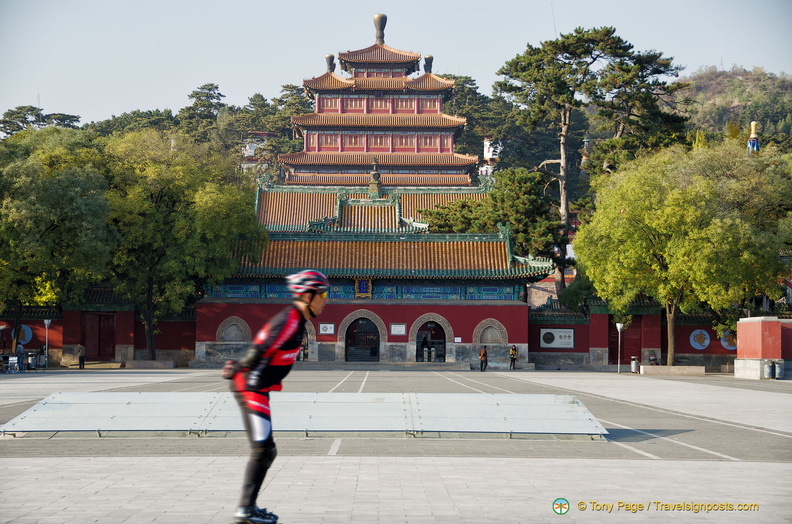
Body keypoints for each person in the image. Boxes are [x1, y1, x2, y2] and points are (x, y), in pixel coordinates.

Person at [229, 269, 330, 524]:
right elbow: (261, 348)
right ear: (307, 296)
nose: (326, 300)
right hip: (251, 387)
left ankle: (248, 507)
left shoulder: (297, 320)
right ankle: (245, 510)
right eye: (323, 294)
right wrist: (240, 366)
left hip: (259, 388)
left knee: (266, 450)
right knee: (264, 450)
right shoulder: (290, 320)